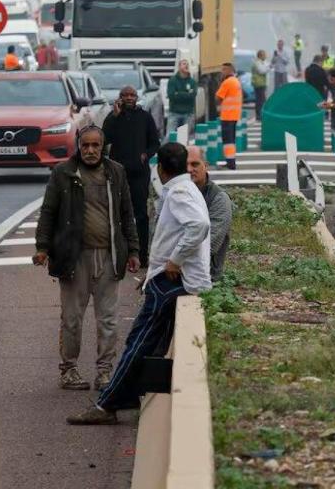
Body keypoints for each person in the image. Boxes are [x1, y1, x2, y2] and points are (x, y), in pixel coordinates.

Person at [67, 142, 211, 425]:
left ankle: (106, 405)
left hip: (173, 282)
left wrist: (174, 262)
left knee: (138, 342)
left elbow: (198, 226)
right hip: (175, 280)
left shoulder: (180, 192)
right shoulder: (186, 189)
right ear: (183, 165)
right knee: (152, 343)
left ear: (160, 168)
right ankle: (130, 395)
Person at [33, 125, 141, 391]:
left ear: (103, 147)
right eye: (85, 146)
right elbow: (48, 212)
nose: (90, 151)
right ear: (78, 146)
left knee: (108, 319)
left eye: (95, 146)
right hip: (74, 259)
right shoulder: (63, 173)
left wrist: (135, 250)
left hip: (108, 257)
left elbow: (127, 213)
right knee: (71, 318)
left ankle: (104, 372)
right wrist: (42, 247)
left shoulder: (116, 172)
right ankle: (69, 370)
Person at [103, 86, 160, 268]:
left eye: (131, 95)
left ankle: (142, 255)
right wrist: (114, 116)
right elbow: (104, 139)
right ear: (119, 98)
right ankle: (120, 255)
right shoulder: (114, 117)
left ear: (137, 97)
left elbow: (155, 143)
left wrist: (146, 155)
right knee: (117, 215)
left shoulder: (145, 117)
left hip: (139, 173)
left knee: (141, 215)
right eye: (125, 95)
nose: (128, 98)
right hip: (117, 174)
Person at [186, 145, 233, 282]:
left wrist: (173, 260)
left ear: (205, 166)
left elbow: (210, 245)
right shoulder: (177, 194)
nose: (189, 169)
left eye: (195, 164)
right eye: (185, 165)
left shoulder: (219, 198)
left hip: (206, 276)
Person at [215, 63, 242, 170]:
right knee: (231, 140)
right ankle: (231, 162)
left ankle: (230, 163)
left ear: (229, 70)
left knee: (228, 141)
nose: (222, 72)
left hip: (227, 116)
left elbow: (218, 97)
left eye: (223, 70)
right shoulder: (236, 81)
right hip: (234, 115)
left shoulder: (227, 82)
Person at [166, 59, 197, 134]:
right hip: (174, 113)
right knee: (170, 136)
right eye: (183, 64)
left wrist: (178, 93)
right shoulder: (172, 80)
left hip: (188, 113)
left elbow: (192, 96)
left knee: (183, 137)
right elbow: (171, 95)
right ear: (179, 67)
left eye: (187, 64)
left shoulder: (192, 81)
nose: (186, 65)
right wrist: (186, 94)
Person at [252, 50, 270, 120]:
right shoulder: (257, 63)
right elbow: (262, 71)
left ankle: (260, 114)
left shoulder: (262, 62)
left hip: (262, 83)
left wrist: (269, 66)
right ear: (260, 56)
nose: (265, 56)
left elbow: (266, 66)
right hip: (259, 84)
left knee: (261, 100)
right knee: (261, 100)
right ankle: (259, 115)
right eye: (264, 55)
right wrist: (269, 67)